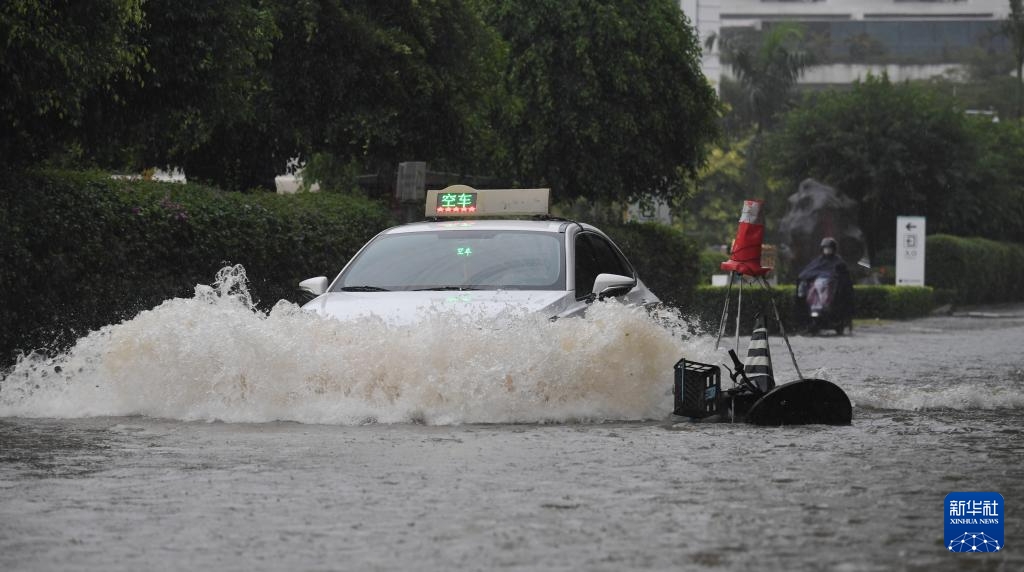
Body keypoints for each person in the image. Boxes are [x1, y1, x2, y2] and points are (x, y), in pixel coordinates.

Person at [795, 237, 854, 334]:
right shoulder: (818, 261)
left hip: (831, 293)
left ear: (833, 249)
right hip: (814, 292)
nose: (827, 250)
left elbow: (842, 277)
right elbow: (807, 272)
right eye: (825, 248)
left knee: (822, 287)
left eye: (829, 248)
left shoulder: (838, 262)